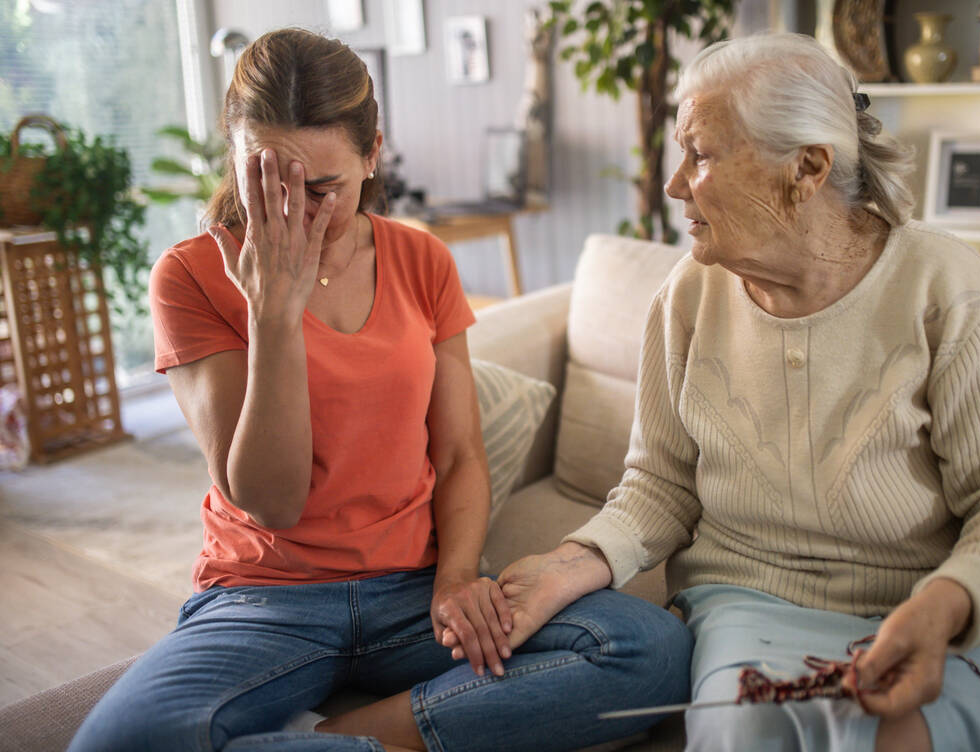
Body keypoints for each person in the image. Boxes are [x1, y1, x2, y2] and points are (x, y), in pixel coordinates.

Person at [68, 28, 690, 752]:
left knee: (653, 651)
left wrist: (457, 578)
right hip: (265, 599)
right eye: (264, 183)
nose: (296, 214)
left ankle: (366, 735)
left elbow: (458, 453)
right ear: (234, 161)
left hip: (412, 590)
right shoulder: (192, 275)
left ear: (372, 157)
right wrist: (275, 317)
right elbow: (270, 499)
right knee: (118, 744)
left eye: (323, 188)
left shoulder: (420, 258)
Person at [494, 32, 980, 752]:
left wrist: (945, 606)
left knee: (905, 742)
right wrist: (571, 564)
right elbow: (661, 483)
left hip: (930, 600)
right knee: (744, 739)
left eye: (701, 153)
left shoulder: (945, 287)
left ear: (806, 167)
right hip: (749, 598)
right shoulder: (687, 296)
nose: (675, 184)